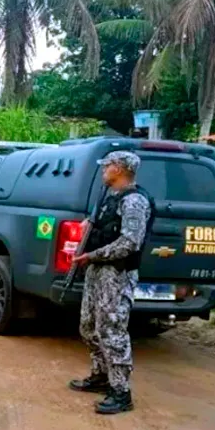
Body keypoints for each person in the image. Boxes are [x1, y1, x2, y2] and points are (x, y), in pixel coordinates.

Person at [70, 150, 153, 415]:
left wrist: (92, 255)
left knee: (112, 331)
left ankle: (121, 392)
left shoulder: (135, 201)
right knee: (89, 326)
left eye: (107, 166)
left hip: (116, 274)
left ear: (118, 168)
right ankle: (101, 376)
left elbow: (129, 243)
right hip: (97, 272)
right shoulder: (110, 198)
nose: (103, 170)